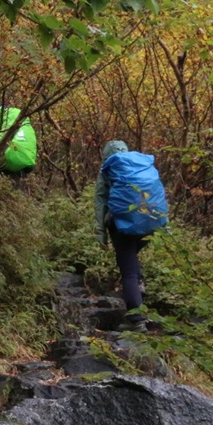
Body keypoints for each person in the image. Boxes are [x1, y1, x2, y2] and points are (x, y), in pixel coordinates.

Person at [94, 140, 151, 332]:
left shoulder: (108, 169)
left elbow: (100, 202)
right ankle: (139, 283)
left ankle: (136, 319)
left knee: (128, 271)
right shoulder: (139, 166)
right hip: (147, 222)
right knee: (132, 260)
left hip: (122, 224)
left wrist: (101, 233)